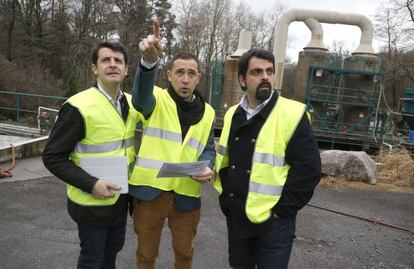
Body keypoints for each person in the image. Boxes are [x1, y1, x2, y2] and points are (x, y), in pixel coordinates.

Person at [214, 48, 321, 269]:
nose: (265, 77)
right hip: (237, 217)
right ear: (242, 80)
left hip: (274, 224)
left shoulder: (292, 114)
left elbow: (308, 171)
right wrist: (227, 199)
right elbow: (225, 161)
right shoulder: (232, 113)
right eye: (256, 72)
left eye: (269, 71)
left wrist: (282, 211)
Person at [42, 41, 141, 269]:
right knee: (92, 260)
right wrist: (91, 184)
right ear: (95, 68)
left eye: (118, 61)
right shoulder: (78, 106)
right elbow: (53, 157)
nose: (113, 65)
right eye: (106, 60)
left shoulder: (130, 104)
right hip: (91, 203)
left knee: (111, 255)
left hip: (119, 200)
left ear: (126, 69)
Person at [129, 19, 216, 269]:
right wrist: (148, 63)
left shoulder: (208, 112)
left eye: (191, 73)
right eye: (179, 72)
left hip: (187, 195)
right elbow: (140, 98)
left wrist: (208, 166)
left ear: (198, 78)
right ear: (169, 75)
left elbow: (208, 147)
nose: (185, 79)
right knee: (146, 255)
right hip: (150, 193)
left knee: (185, 253)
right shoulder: (155, 98)